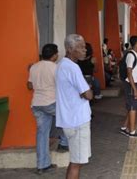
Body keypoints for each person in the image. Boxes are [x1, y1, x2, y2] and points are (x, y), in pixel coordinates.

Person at [56, 34, 93, 179]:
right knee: (76, 163)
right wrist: (87, 89)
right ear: (70, 49)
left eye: (84, 47)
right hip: (77, 121)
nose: (85, 50)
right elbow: (88, 94)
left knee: (76, 160)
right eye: (81, 47)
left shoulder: (62, 64)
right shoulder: (73, 68)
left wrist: (84, 91)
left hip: (70, 119)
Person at [27, 43, 68, 174]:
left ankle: (42, 165)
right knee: (67, 119)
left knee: (42, 134)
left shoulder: (34, 67)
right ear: (54, 55)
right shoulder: (56, 68)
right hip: (51, 102)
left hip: (37, 104)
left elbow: (29, 85)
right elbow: (62, 86)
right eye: (57, 53)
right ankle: (64, 143)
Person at [119, 36, 137, 138]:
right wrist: (135, 89)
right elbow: (129, 73)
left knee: (131, 107)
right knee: (133, 107)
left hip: (133, 83)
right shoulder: (131, 55)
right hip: (131, 84)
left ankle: (124, 127)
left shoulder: (134, 54)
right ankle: (132, 132)